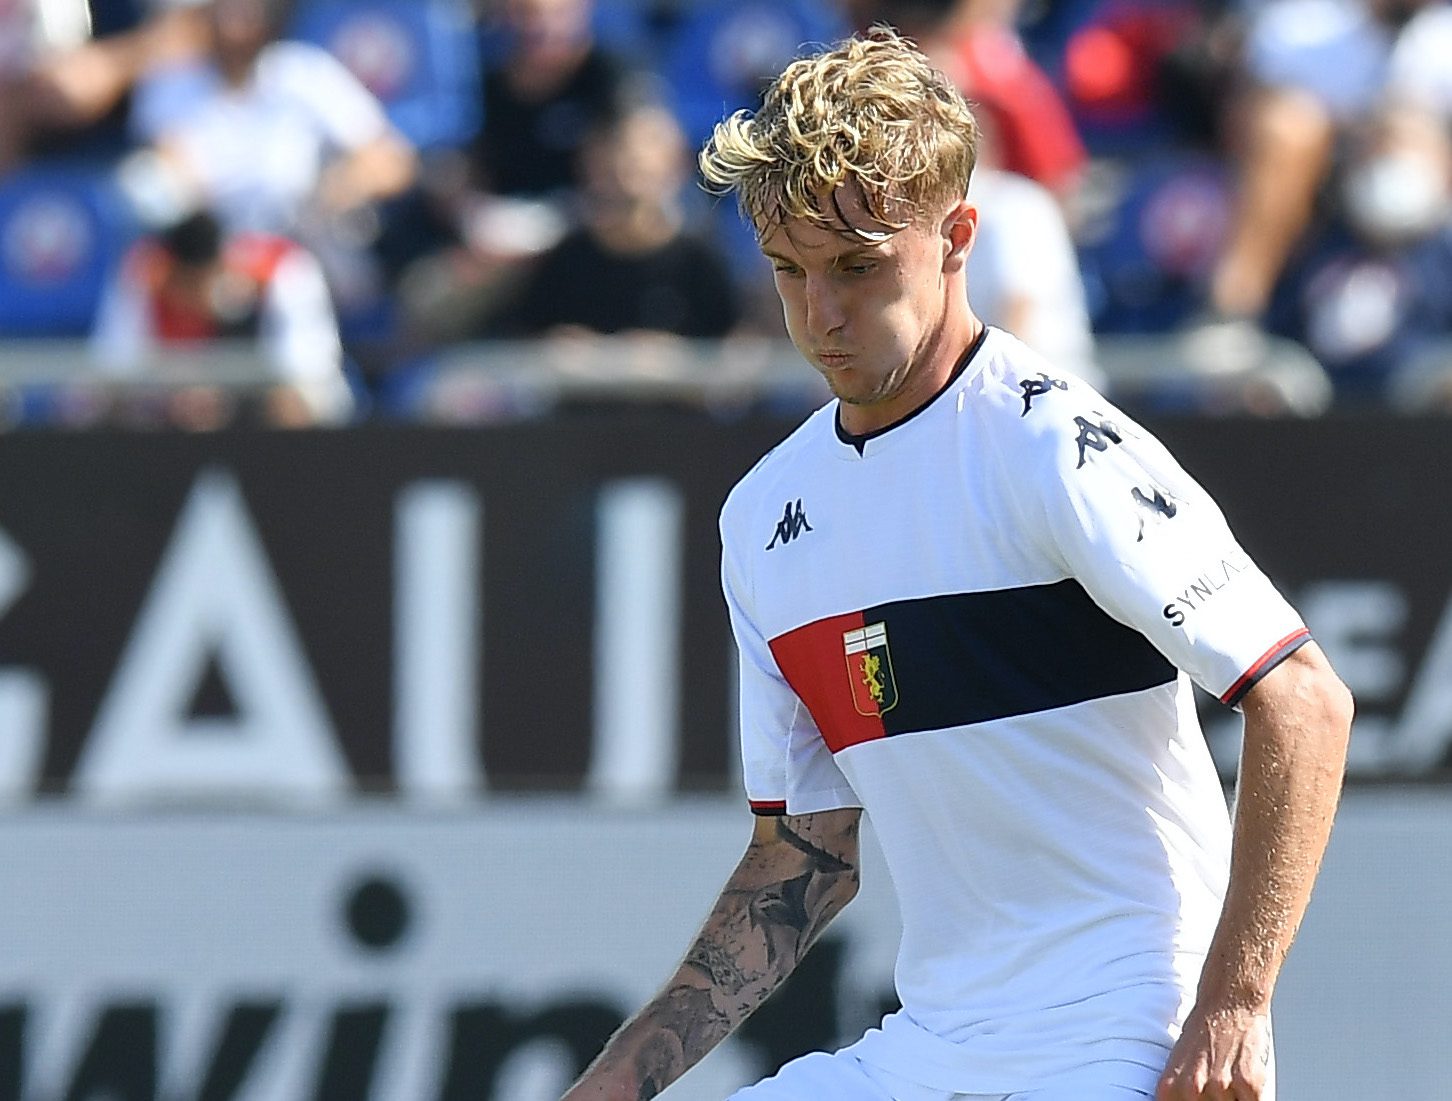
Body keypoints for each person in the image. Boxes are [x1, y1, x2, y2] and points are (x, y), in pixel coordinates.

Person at [560, 28, 1352, 1101]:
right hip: (930, 1048)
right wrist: (618, 1080)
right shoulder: (763, 518)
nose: (821, 315)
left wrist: (1236, 1006)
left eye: (858, 267)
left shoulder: (1056, 448)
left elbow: (1305, 700)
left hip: (1129, 1039)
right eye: (790, 270)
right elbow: (803, 857)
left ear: (956, 237)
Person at [90, 208, 354, 427]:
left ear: (219, 268)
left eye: (198, 282)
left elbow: (309, 371)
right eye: (184, 283)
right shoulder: (147, 273)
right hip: (173, 411)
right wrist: (180, 389)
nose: (189, 295)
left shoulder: (283, 270)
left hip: (284, 411)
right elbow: (115, 369)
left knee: (290, 406)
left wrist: (228, 389)